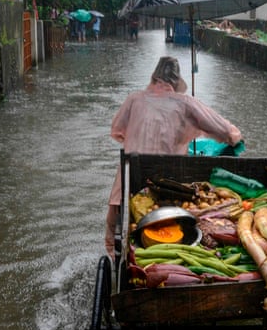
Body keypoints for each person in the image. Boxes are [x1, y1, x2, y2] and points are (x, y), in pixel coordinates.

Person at [104, 56, 243, 257]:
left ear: (154, 77)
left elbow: (117, 131)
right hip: (165, 188)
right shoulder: (185, 102)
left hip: (127, 185)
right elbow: (226, 132)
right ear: (176, 83)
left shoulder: (134, 99)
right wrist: (235, 137)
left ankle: (114, 256)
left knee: (116, 239)